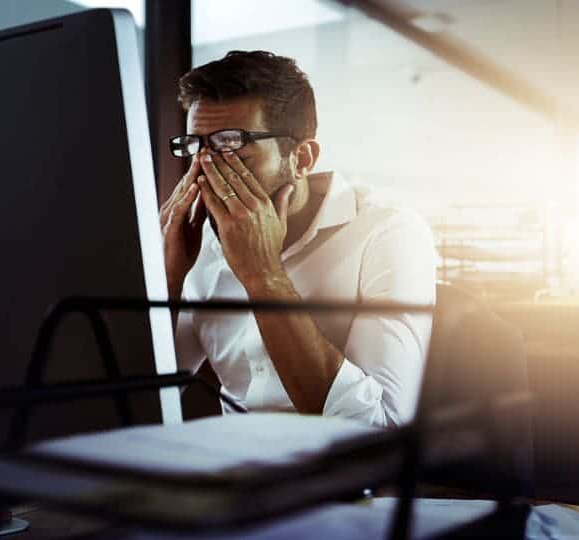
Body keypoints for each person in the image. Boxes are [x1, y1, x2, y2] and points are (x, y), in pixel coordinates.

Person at [160, 50, 436, 428]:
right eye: (197, 147)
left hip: (340, 480)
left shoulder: (389, 232)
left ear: (302, 159)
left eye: (231, 145)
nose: (206, 172)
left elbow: (378, 430)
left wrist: (264, 275)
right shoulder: (198, 246)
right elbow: (131, 399)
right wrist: (166, 279)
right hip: (234, 470)